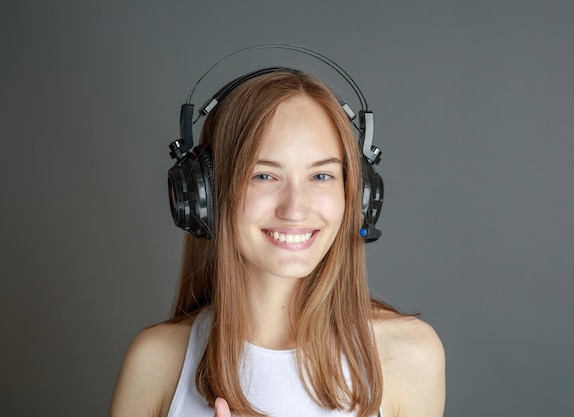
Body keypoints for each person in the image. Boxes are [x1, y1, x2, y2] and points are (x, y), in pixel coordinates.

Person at [109, 70, 445, 417]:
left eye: (321, 175)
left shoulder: (410, 354)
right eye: (264, 175)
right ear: (204, 195)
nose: (295, 208)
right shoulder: (155, 362)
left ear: (357, 196)